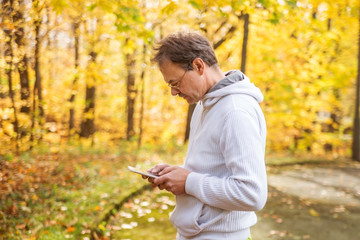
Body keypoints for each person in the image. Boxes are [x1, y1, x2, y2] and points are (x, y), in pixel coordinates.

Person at [144, 31, 267, 240]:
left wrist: (189, 182)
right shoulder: (205, 105)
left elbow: (252, 194)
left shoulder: (236, 111)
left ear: (199, 66)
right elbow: (212, 169)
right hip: (197, 232)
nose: (174, 92)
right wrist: (176, 174)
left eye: (175, 82)